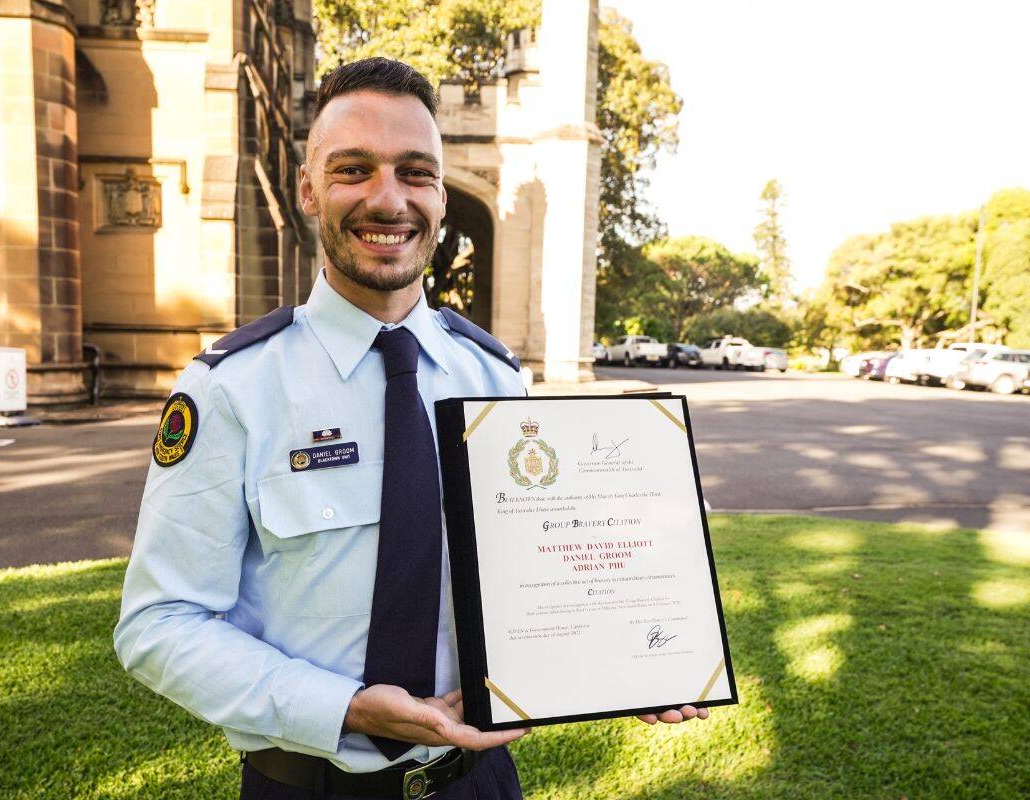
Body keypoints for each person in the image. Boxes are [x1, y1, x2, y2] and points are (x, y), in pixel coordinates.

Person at [115, 57, 707, 800]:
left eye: (415, 172)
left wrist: (632, 655)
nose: (387, 199)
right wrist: (344, 709)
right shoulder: (232, 389)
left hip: (478, 780)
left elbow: (539, 566)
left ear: (439, 192)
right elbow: (159, 623)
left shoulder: (496, 380)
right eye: (353, 170)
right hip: (311, 785)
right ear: (307, 189)